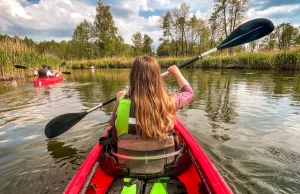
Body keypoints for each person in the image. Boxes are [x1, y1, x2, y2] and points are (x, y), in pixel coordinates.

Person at [109, 55, 194, 143]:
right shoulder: (170, 102)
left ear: (132, 78)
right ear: (157, 79)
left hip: (127, 155)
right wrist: (177, 73)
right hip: (164, 156)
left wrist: (120, 100)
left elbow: (113, 123)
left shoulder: (121, 104)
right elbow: (189, 93)